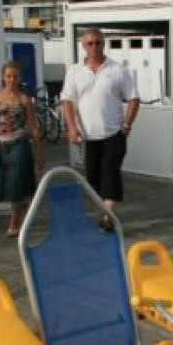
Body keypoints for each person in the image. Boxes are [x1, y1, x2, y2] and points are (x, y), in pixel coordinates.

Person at [61, 28, 140, 231]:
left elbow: (134, 98)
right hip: (88, 137)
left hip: (114, 133)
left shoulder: (118, 69)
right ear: (83, 46)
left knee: (111, 174)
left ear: (103, 44)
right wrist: (71, 128)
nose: (94, 47)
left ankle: (108, 217)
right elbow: (67, 101)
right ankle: (105, 212)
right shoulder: (75, 71)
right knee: (93, 180)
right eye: (90, 43)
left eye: (98, 43)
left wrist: (127, 126)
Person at [0, 61, 44, 237]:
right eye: (9, 76)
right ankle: (23, 213)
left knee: (16, 184)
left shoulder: (24, 99)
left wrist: (40, 152)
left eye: (15, 76)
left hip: (20, 144)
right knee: (9, 184)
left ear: (19, 78)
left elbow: (33, 126)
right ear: (3, 77)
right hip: (2, 146)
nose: (12, 79)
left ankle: (14, 221)